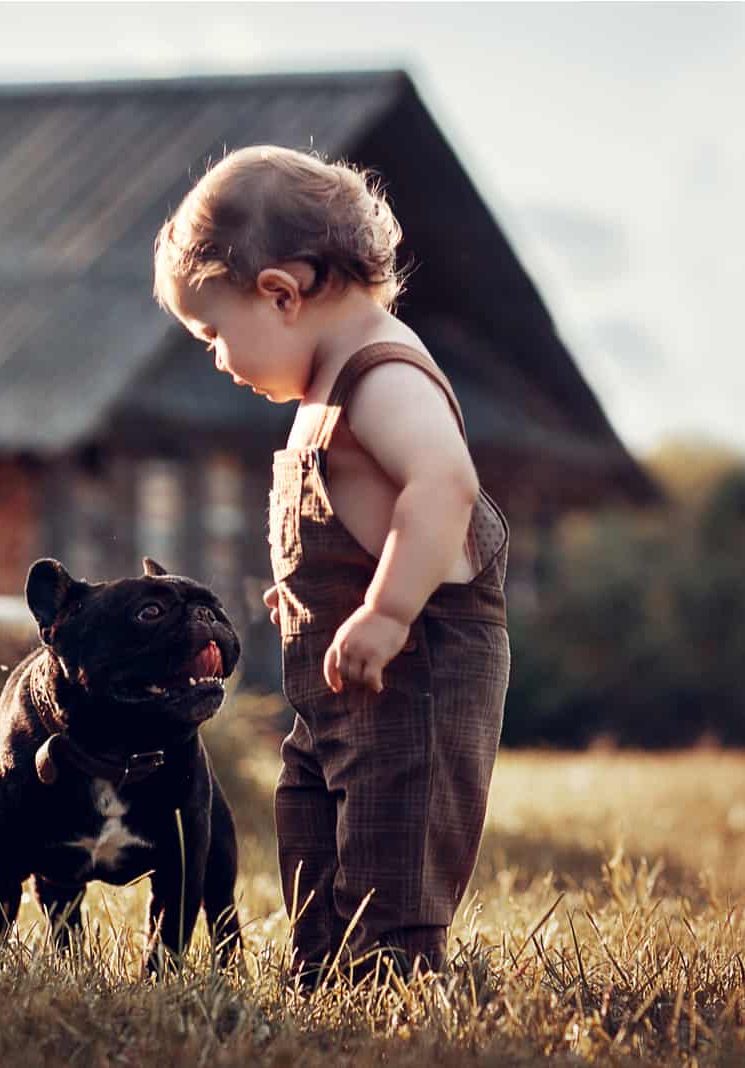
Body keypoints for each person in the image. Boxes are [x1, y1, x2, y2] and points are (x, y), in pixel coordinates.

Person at [152, 145, 511, 987]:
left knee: (392, 838)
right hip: (340, 688)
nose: (215, 357)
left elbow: (444, 484)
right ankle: (322, 972)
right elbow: (361, 522)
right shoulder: (321, 390)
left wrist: (385, 612)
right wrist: (314, 594)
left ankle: (393, 975)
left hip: (414, 677)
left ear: (280, 293)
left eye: (213, 332)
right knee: (311, 820)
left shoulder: (382, 378)